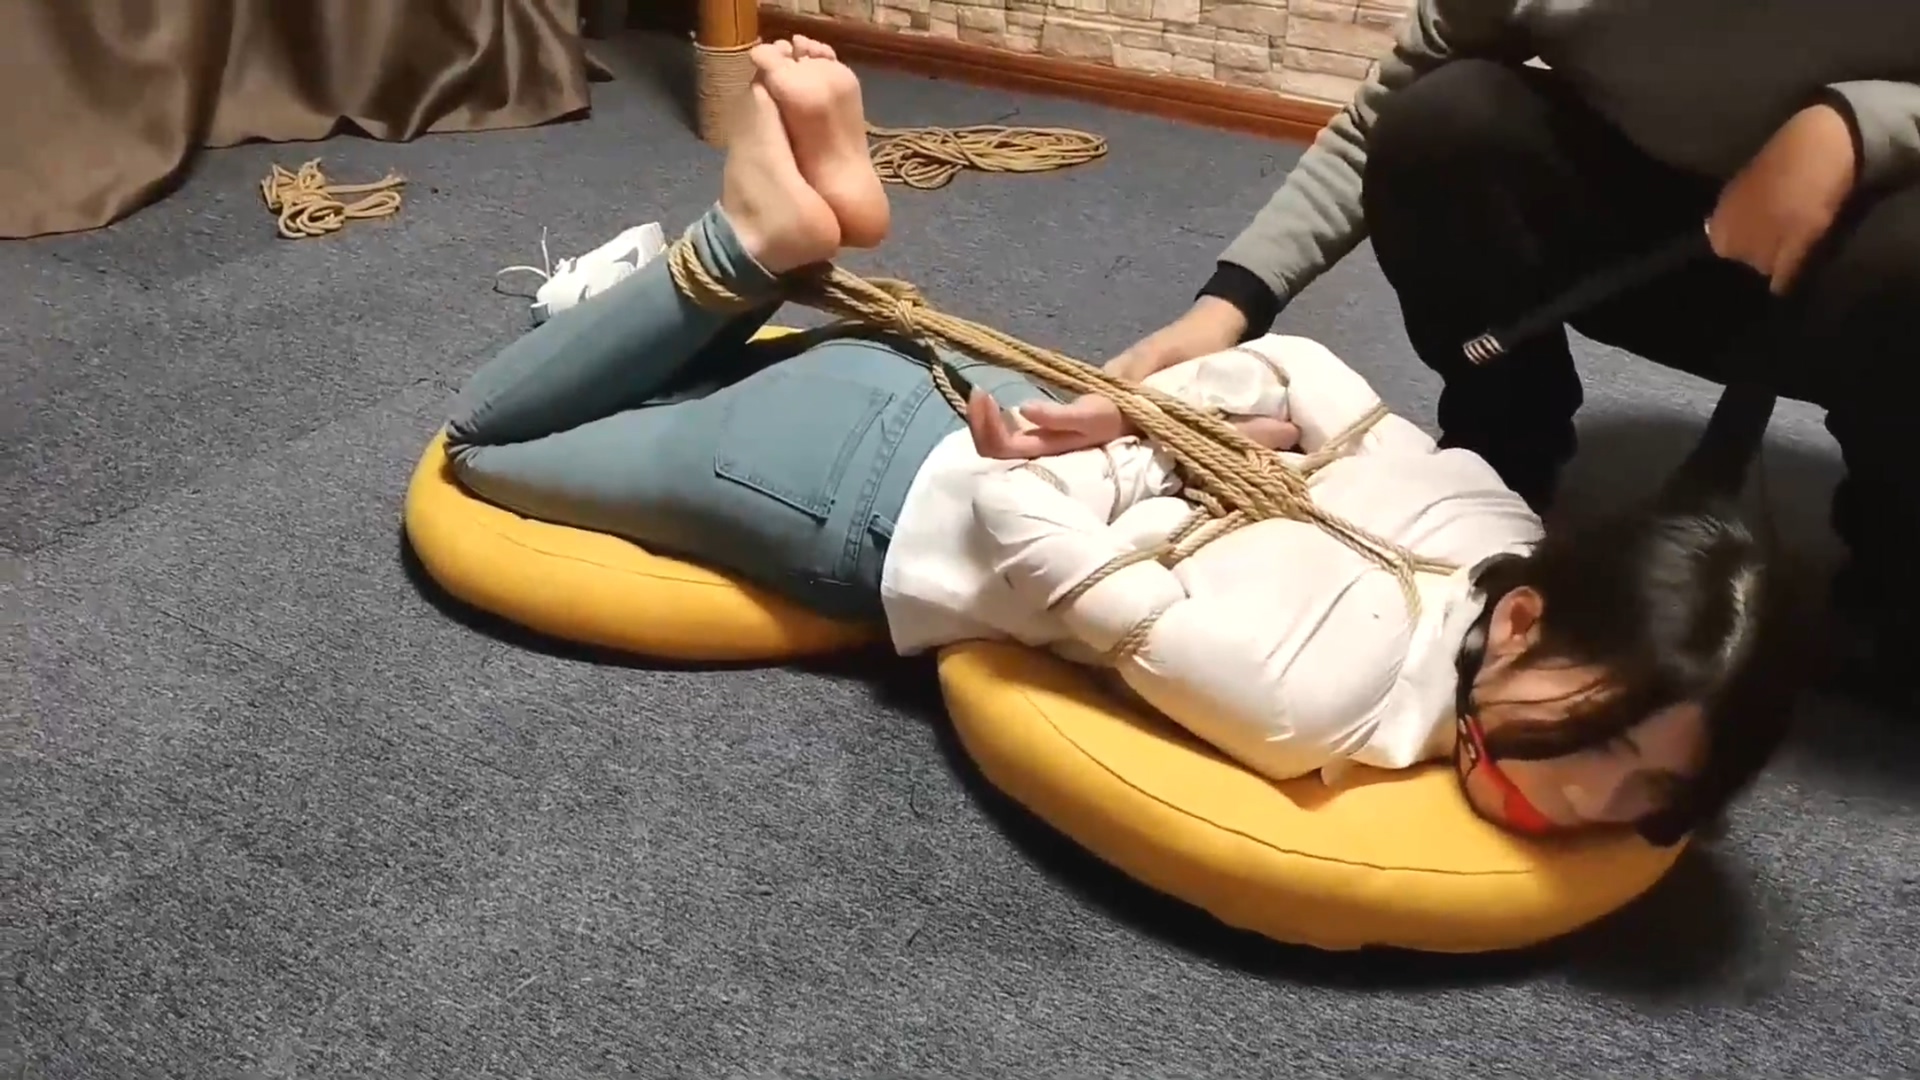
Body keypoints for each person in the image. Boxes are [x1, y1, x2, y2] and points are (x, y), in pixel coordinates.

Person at [441, 40, 1798, 842]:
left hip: (999, 397)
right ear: (1529, 623)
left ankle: (769, 249)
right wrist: (1146, 442)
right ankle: (755, 231)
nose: (1596, 800)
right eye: (1606, 738)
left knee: (642, 381)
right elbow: (1024, 536)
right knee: (489, 443)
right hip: (864, 495)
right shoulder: (1314, 706)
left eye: (1651, 793)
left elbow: (1305, 385)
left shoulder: (1496, 524)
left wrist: (1165, 425)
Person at [1096, 0, 1919, 713]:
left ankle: (1896, 576)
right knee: (1443, 122)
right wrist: (1230, 305)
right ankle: (1500, 461)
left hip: (1867, 259)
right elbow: (1388, 109)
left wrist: (1863, 126)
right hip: (1648, 247)